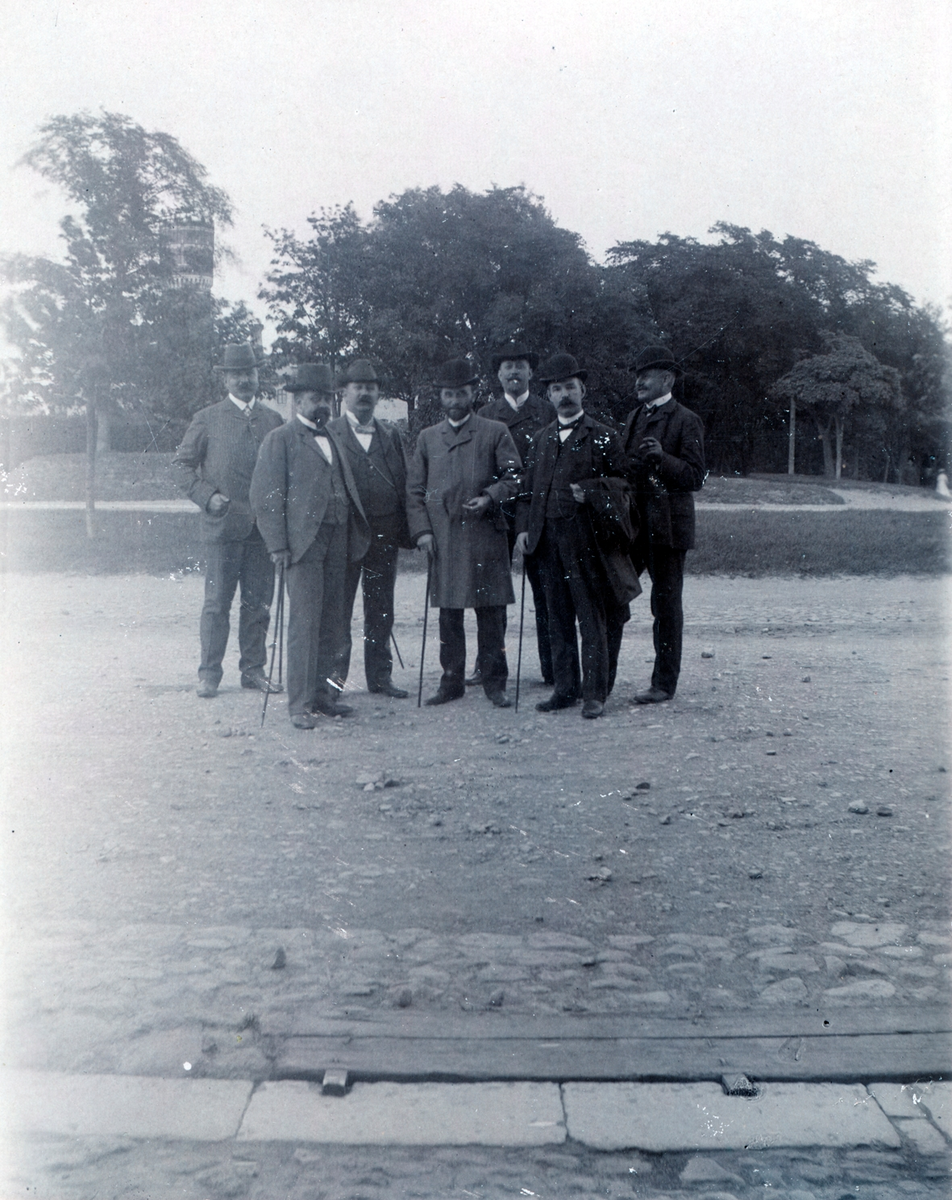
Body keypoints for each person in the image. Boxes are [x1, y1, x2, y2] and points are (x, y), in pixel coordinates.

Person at [515, 353, 640, 719]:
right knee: (556, 617)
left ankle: (594, 693)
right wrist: (523, 528)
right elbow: (526, 491)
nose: (564, 395)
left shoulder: (603, 436)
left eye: (570, 387)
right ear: (549, 396)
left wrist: (594, 492)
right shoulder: (541, 439)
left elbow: (624, 486)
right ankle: (565, 689)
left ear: (583, 390)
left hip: (588, 542)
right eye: (557, 389)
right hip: (547, 543)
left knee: (592, 618)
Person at [250, 364, 370, 728]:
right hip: (303, 543)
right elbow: (265, 496)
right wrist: (277, 545)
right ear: (298, 401)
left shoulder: (333, 435)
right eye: (315, 398)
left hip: (338, 538)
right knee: (304, 623)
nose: (323, 405)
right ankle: (299, 704)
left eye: (327, 399)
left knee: (333, 621)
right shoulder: (280, 439)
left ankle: (323, 696)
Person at [406, 358, 522, 708]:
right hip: (444, 539)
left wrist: (490, 497)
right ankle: (451, 682)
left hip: (485, 536)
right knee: (448, 614)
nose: (455, 400)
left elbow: (516, 478)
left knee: (491, 614)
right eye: (448, 394)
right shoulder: (428, 438)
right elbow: (414, 490)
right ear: (441, 397)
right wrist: (422, 532)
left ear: (473, 393)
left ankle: (495, 683)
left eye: (461, 393)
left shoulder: (495, 431)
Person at [173, 342, 285, 699]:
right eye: (236, 374)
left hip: (263, 531)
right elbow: (182, 467)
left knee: (258, 604)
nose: (244, 380)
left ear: (257, 375)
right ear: (225, 380)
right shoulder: (207, 418)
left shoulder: (273, 420)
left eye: (249, 373)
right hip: (223, 528)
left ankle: (253, 671)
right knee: (217, 604)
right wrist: (207, 496)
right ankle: (209, 674)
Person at [621, 345, 705, 704]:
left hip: (669, 528)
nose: (638, 382)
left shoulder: (686, 419)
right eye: (637, 376)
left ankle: (663, 684)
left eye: (646, 375)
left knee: (666, 607)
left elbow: (695, 477)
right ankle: (599, 680)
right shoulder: (633, 417)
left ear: (667, 379)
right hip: (633, 525)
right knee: (614, 593)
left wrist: (662, 458)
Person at [470, 342, 554, 688]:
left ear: (531, 372)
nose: (514, 372)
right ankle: (488, 665)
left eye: (520, 365)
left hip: (538, 512)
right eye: (508, 366)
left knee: (547, 590)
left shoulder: (548, 411)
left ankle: (553, 667)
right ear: (499, 374)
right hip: (498, 512)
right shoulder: (486, 413)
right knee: (492, 594)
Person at [328, 359, 412, 698]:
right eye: (358, 387)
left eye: (370, 388)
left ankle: (380, 677)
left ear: (378, 394)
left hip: (383, 535)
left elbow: (402, 479)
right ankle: (334, 682)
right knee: (339, 610)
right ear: (344, 392)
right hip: (344, 536)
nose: (364, 393)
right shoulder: (329, 433)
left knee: (381, 608)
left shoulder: (390, 434)